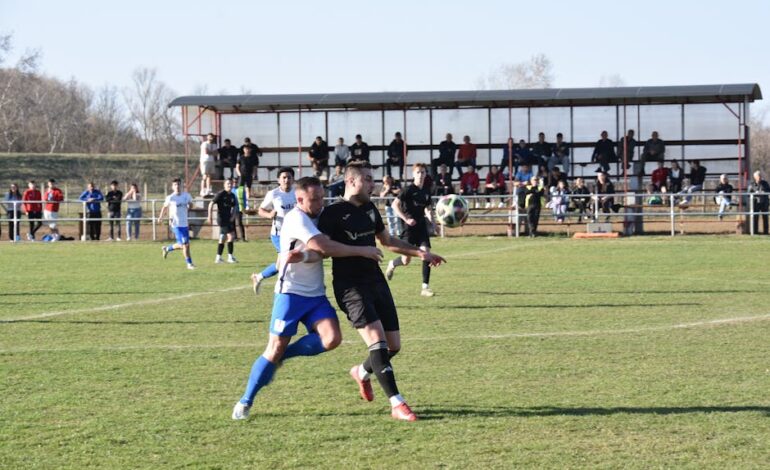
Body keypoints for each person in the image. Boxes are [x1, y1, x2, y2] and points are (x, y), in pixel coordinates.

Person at [231, 176, 385, 420]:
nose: (320, 203)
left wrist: (302, 257)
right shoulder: (296, 218)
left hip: (315, 294)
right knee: (273, 349)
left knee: (332, 339)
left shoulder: (321, 216)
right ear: (299, 199)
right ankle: (245, 401)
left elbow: (316, 254)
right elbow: (323, 247)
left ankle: (284, 356)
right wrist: (362, 250)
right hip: (290, 294)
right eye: (314, 199)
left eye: (322, 198)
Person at [318, 161, 446, 421]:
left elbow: (386, 242)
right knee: (378, 342)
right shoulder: (332, 213)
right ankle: (397, 404)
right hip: (350, 286)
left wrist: (421, 253)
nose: (372, 183)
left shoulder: (369, 209)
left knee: (393, 346)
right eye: (367, 178)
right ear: (351, 181)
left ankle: (361, 373)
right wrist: (359, 251)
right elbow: (323, 248)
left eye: (372, 178)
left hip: (376, 281)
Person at [385, 163, 437, 297]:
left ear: (426, 174)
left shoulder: (426, 191)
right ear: (414, 174)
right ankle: (392, 264)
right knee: (405, 260)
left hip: (421, 227)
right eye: (418, 172)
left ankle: (425, 287)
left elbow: (427, 208)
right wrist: (406, 219)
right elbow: (395, 205)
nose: (420, 175)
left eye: (423, 172)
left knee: (426, 253)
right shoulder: (408, 190)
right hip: (408, 228)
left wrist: (433, 222)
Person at [252, 167, 297, 293]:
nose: (286, 180)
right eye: (284, 177)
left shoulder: (297, 193)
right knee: (287, 260)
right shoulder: (273, 194)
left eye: (289, 177)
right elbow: (260, 210)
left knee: (281, 264)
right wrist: (269, 215)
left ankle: (258, 277)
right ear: (278, 180)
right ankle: (285, 288)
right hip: (279, 235)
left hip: (294, 234)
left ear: (293, 179)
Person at [157, 178, 195, 270]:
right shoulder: (170, 197)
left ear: (182, 185)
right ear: (172, 187)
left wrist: (190, 205)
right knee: (184, 244)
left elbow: (191, 204)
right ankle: (189, 264)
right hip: (175, 224)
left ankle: (167, 249)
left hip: (184, 224)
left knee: (185, 245)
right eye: (175, 185)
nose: (177, 186)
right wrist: (160, 217)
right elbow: (164, 207)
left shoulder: (186, 195)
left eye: (179, 184)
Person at [207, 178, 238, 264]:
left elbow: (235, 207)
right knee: (231, 236)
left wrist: (233, 216)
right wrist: (209, 216)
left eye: (230, 184)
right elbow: (211, 204)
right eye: (228, 184)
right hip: (222, 219)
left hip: (228, 218)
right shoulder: (220, 194)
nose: (229, 185)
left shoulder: (232, 195)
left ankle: (218, 258)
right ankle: (230, 257)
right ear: (224, 185)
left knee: (222, 238)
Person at [237, 138, 262, 202]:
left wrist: (254, 174)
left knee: (248, 187)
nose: (247, 150)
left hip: (249, 174)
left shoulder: (253, 157)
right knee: (240, 187)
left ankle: (248, 200)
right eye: (246, 149)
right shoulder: (241, 157)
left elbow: (255, 167)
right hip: (242, 174)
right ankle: (240, 199)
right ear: (244, 149)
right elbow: (237, 166)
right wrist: (239, 174)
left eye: (248, 149)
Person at [748, 170, 770, 234]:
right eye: (758, 176)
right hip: (756, 203)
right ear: (755, 177)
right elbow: (748, 194)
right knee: (755, 217)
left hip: (764, 202)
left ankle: (766, 232)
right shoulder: (751, 185)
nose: (759, 177)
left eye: (760, 175)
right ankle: (755, 232)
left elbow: (769, 190)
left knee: (765, 217)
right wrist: (754, 193)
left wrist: (764, 192)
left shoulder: (765, 183)